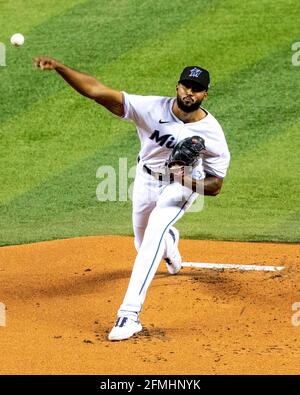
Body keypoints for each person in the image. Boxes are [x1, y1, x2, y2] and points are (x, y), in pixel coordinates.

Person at [34, 57, 230, 341]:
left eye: (197, 89)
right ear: (177, 86)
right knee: (142, 242)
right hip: (147, 178)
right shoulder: (151, 108)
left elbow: (215, 186)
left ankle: (129, 315)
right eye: (186, 85)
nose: (190, 92)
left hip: (181, 187)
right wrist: (60, 68)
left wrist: (184, 179)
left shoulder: (213, 134)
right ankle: (170, 244)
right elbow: (96, 91)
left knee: (153, 233)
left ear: (205, 94)